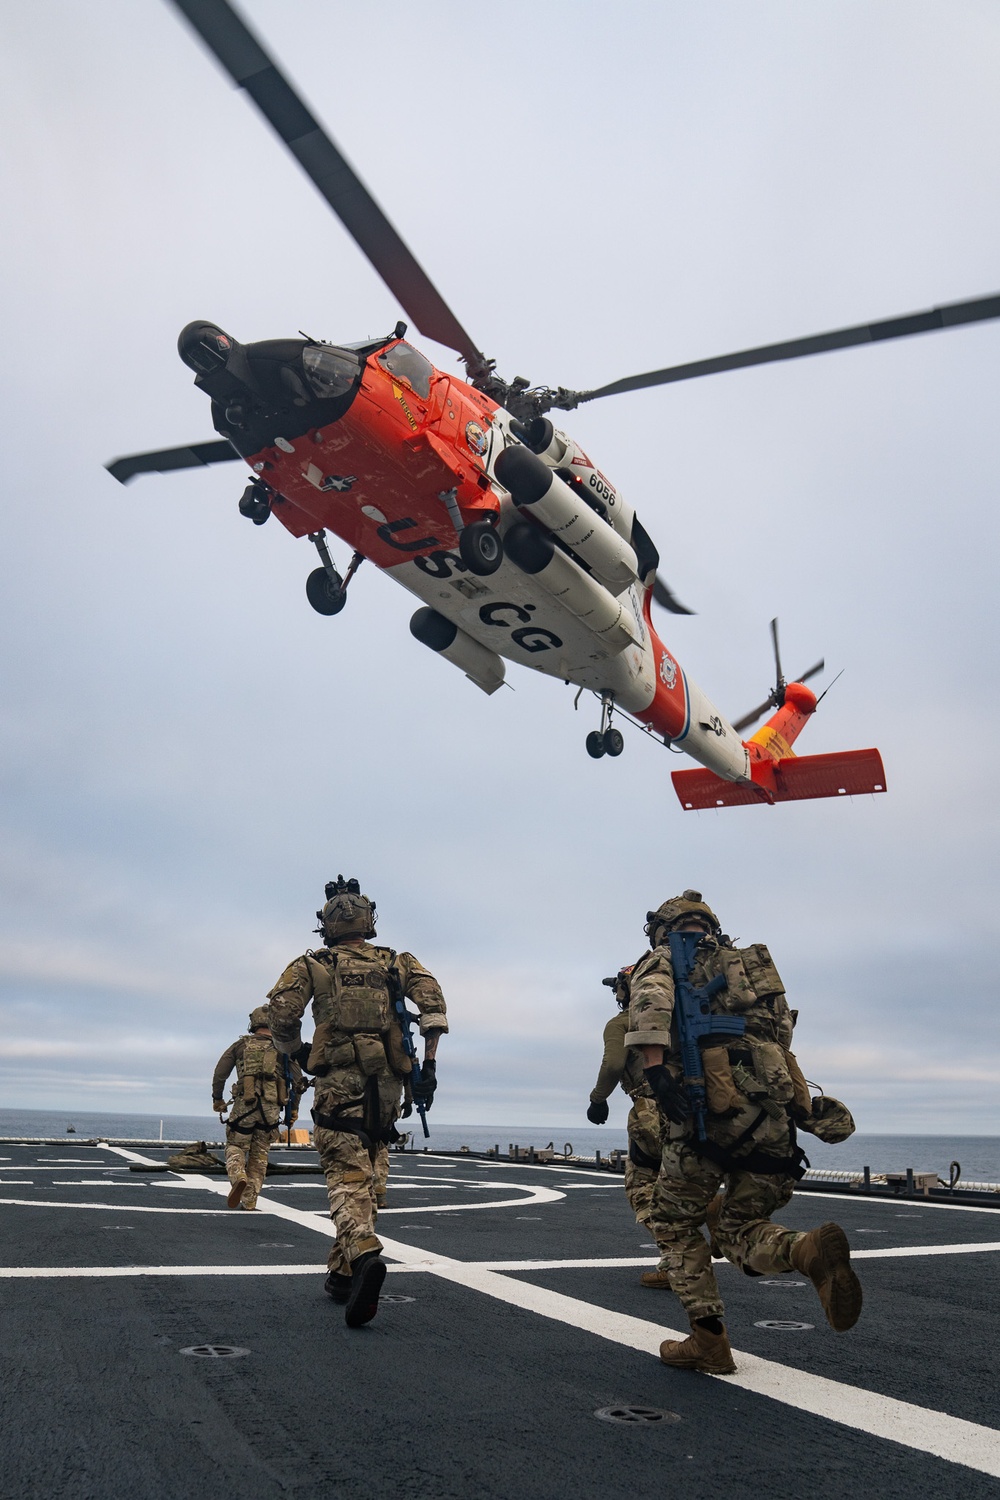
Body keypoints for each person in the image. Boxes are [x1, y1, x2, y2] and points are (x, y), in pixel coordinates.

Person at [624, 889, 862, 1374]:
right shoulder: (750, 966)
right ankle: (805, 1250)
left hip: (703, 1112)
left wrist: (657, 1073)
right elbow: (781, 1036)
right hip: (773, 1116)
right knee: (738, 1230)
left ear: (664, 928)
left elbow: (649, 1004)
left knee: (673, 1223)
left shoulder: (663, 957)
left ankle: (709, 1343)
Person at [266, 876, 447, 1328]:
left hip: (339, 1088)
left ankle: (364, 1255)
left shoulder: (312, 965)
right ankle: (343, 1276)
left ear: (327, 925)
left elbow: (281, 1016)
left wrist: (298, 1053)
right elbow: (434, 1005)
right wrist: (428, 1066)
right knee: (369, 1181)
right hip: (388, 1092)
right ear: (369, 921)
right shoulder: (398, 963)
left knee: (347, 1179)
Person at [586, 967, 678, 1286]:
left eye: (619, 989)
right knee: (685, 1180)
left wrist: (598, 1099)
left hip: (653, 1111)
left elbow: (613, 1064)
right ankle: (711, 1210)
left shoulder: (623, 1022)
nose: (616, 994)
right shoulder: (679, 1018)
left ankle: (675, 1262)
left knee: (641, 1186)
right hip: (694, 1108)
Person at [212, 1006, 304, 1211]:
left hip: (245, 1105)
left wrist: (217, 1099)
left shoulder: (240, 1046)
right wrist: (294, 1110)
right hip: (271, 1110)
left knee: (235, 1145)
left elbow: (220, 1072)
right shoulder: (284, 1050)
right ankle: (251, 1199)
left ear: (253, 1024)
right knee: (260, 1153)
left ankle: (238, 1176)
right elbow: (298, 1082)